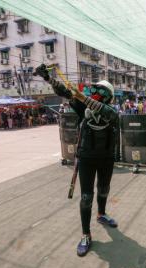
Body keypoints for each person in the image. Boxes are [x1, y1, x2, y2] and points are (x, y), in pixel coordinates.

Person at [35, 64, 118, 257]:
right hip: (87, 159)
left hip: (106, 158)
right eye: (94, 91)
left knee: (104, 189)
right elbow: (64, 91)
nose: (96, 94)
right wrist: (48, 78)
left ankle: (101, 214)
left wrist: (84, 98)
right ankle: (86, 234)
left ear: (108, 97)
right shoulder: (83, 107)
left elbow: (105, 112)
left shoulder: (112, 112)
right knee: (87, 197)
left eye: (100, 92)